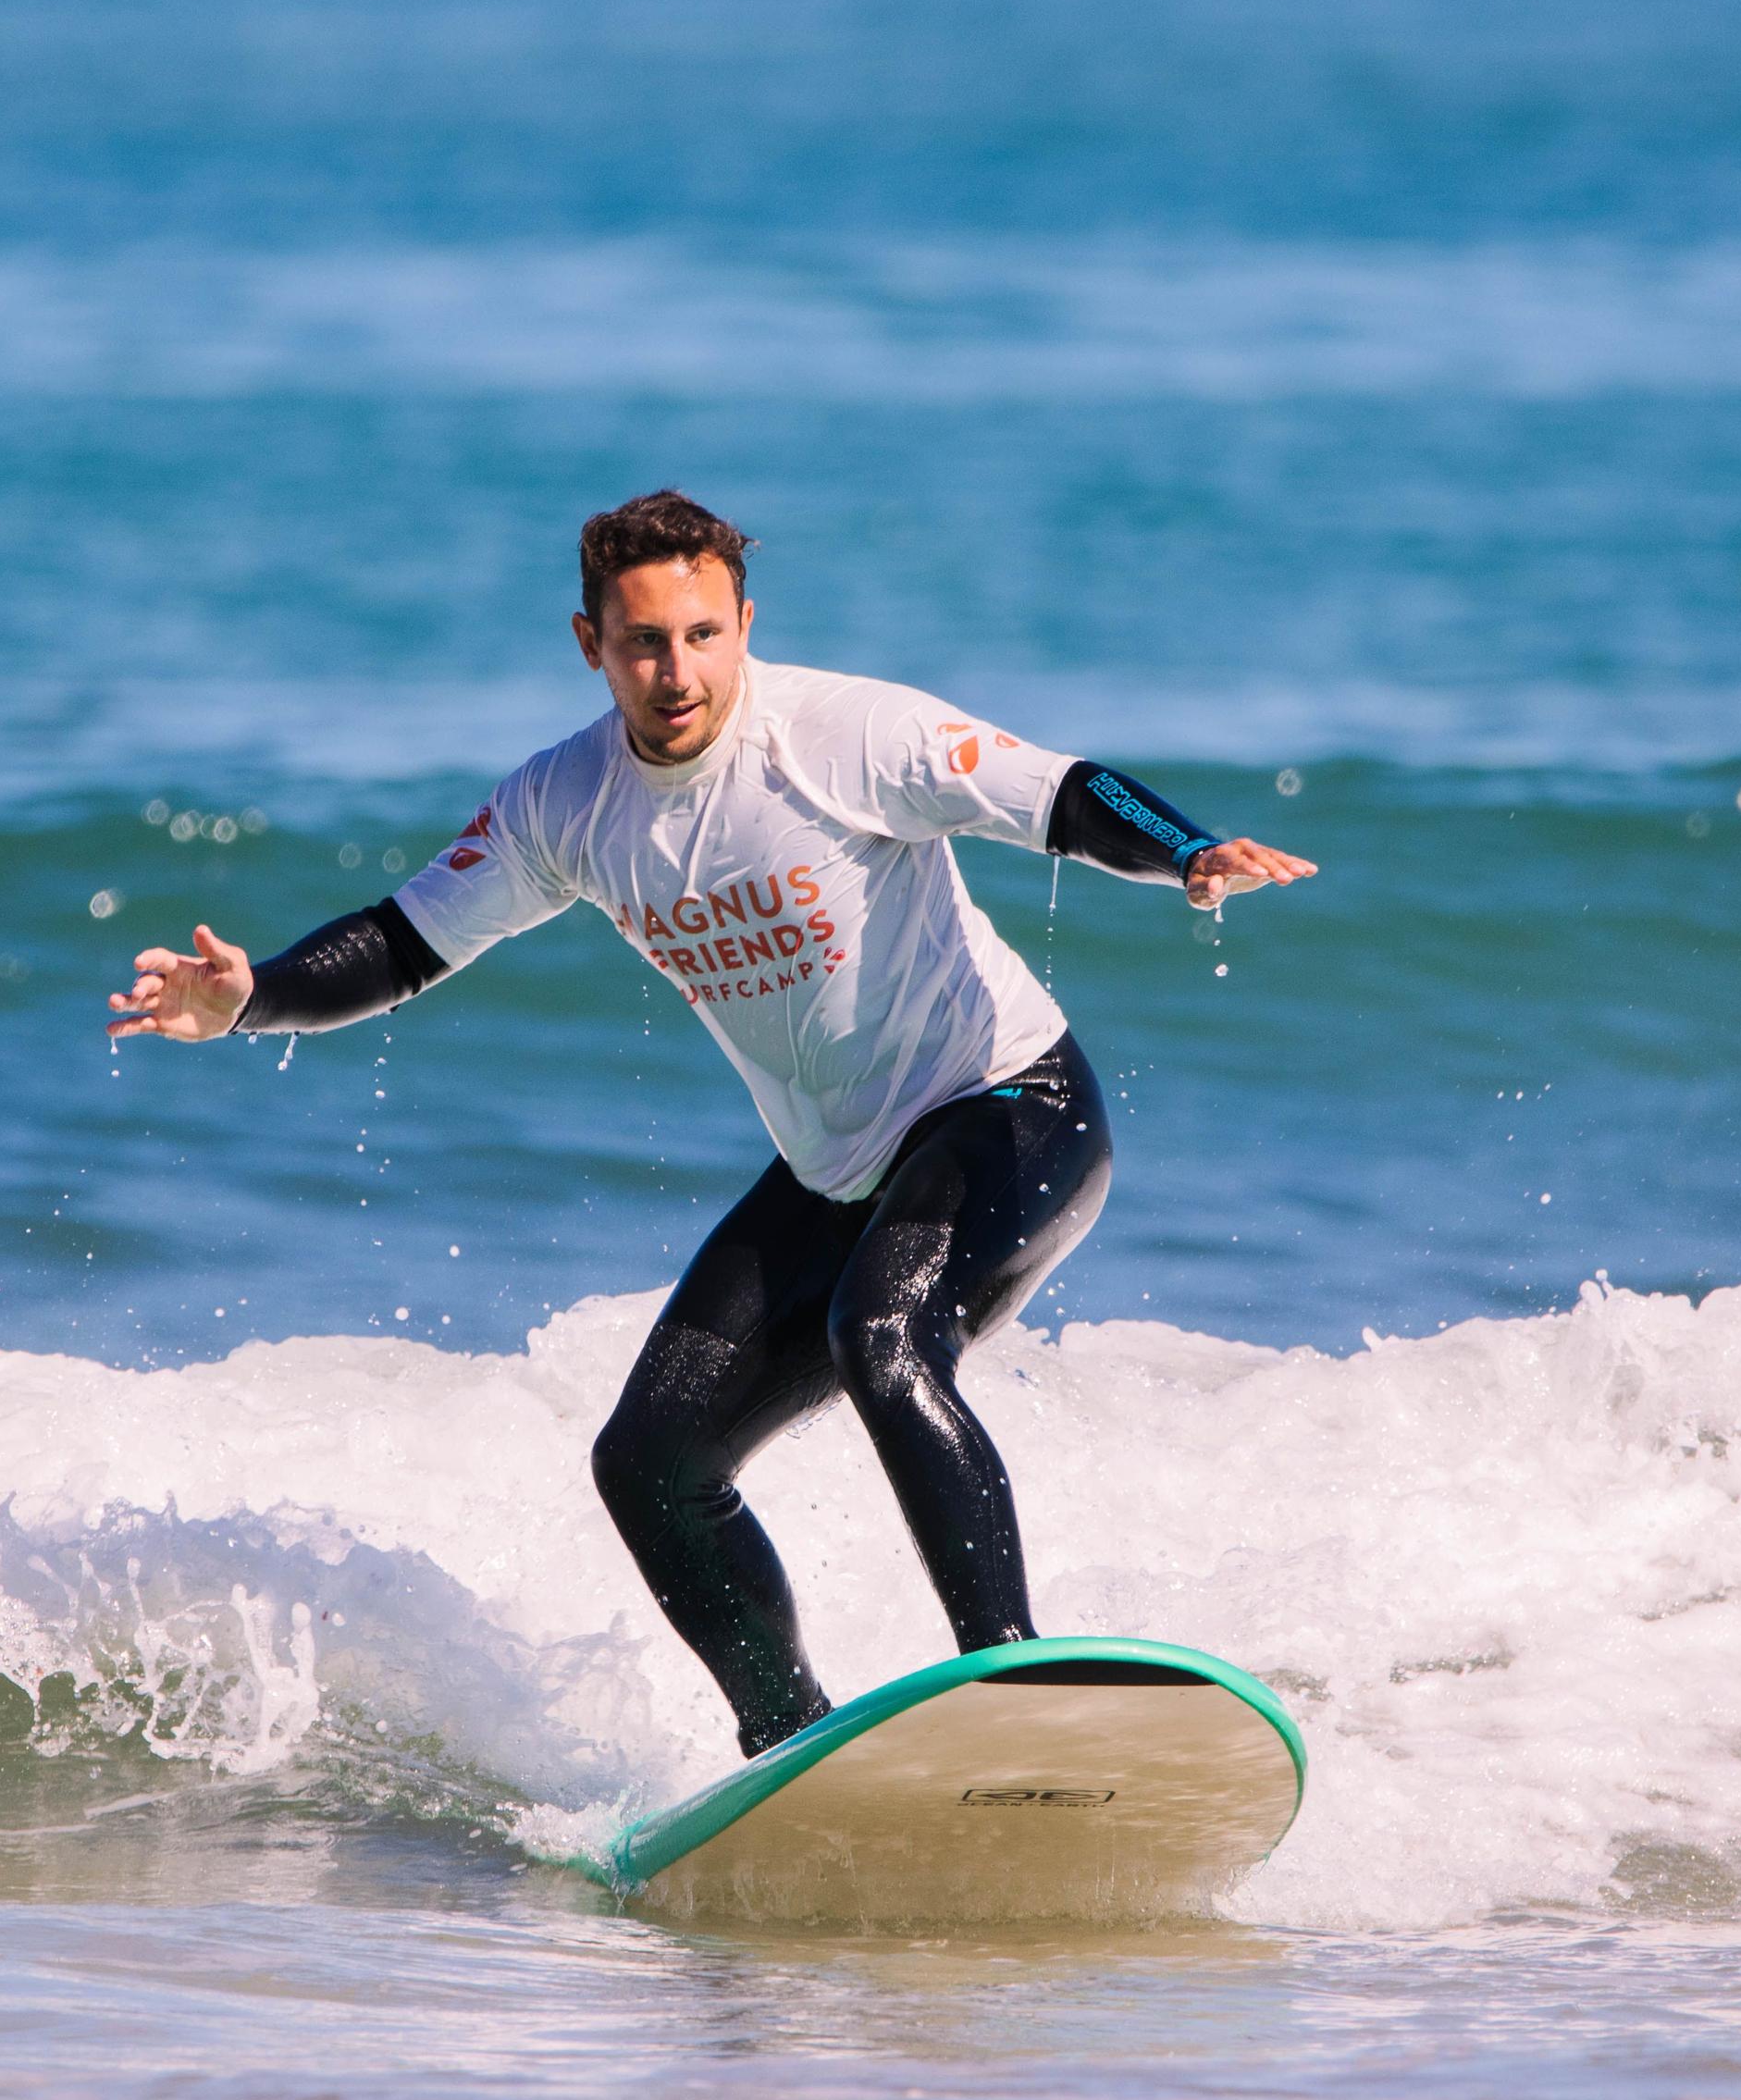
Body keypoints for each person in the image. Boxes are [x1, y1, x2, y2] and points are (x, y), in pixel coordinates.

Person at [107, 491, 1315, 1755]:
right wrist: (253, 1000)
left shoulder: (845, 734)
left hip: (1013, 1105)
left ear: (745, 622)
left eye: (699, 635)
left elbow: (1055, 795)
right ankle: (792, 1748)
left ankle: (1018, 1694)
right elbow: (408, 940)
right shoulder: (563, 804)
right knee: (651, 1462)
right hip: (836, 1166)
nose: (674, 672)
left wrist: (1185, 851)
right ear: (591, 645)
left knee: (885, 1333)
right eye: (641, 644)